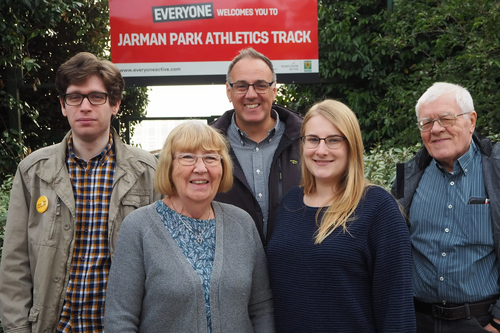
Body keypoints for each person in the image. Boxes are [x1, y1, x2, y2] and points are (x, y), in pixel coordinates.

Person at [0, 52, 161, 333]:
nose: (85, 106)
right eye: (75, 97)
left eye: (96, 96)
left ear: (115, 104)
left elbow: (162, 264)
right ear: (63, 105)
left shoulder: (148, 172)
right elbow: (15, 263)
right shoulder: (33, 171)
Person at [104, 121, 274, 333]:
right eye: (187, 157)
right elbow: (120, 319)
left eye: (211, 157)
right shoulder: (139, 227)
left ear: (222, 167)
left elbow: (261, 308)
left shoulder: (242, 224)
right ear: (169, 166)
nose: (201, 168)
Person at [267, 99, 416, 333]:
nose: (321, 150)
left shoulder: (377, 208)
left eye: (334, 140)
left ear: (351, 147)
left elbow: (397, 308)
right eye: (313, 139)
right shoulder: (290, 203)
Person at [392, 82, 500, 333]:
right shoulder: (405, 177)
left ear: (471, 121)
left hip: (481, 322)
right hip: (419, 322)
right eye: (426, 123)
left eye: (446, 119)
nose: (436, 129)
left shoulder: (495, 172)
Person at [211, 47, 302, 246]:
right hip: (233, 273)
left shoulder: (307, 141)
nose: (251, 94)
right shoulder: (207, 147)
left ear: (274, 90)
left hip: (297, 269)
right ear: (229, 91)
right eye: (241, 86)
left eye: (261, 85)